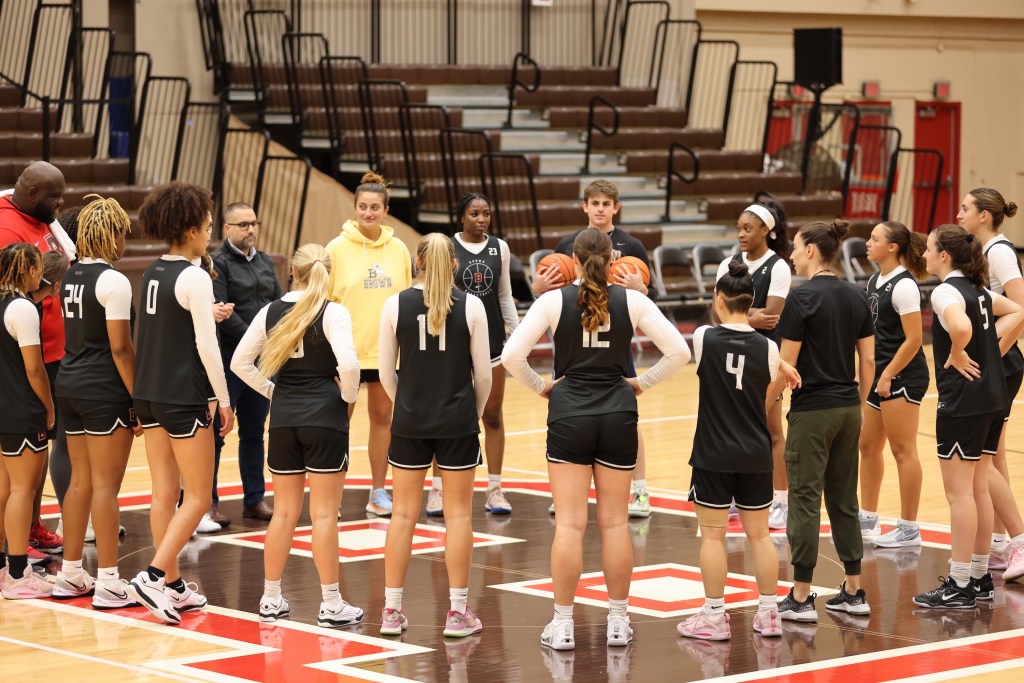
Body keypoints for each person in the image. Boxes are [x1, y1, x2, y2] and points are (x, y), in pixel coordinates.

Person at [503, 229, 689, 650]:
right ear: (611, 259)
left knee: (569, 525)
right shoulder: (634, 300)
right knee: (616, 524)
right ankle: (618, 622)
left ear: (572, 257)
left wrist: (542, 387)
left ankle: (564, 625)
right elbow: (679, 351)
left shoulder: (552, 300)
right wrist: (640, 383)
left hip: (569, 413)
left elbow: (512, 355)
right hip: (618, 413)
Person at [232, 243, 364, 627]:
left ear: (293, 270)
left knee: (284, 513)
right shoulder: (333, 311)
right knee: (323, 515)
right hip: (325, 418)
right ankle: (331, 603)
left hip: (285, 420)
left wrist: (274, 391)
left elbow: (240, 362)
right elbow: (351, 364)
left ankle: (271, 598)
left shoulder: (270, 310)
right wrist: (346, 397)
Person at [126, 183, 235, 625]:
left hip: (149, 395)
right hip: (185, 395)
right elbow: (207, 350)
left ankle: (172, 585)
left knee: (163, 493)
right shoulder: (194, 276)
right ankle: (153, 576)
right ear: (190, 228)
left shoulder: (153, 270)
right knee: (196, 496)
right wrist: (223, 400)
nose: (209, 232)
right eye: (208, 225)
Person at [677, 260, 800, 641]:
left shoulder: (702, 337)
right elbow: (764, 397)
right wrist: (781, 363)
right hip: (754, 452)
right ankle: (769, 615)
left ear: (717, 299)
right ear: (750, 304)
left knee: (713, 537)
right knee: (760, 536)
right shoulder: (767, 347)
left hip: (713, 453)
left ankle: (715, 617)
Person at [378, 233, 492, 638]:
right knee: (459, 516)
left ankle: (391, 611)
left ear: (418, 262)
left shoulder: (394, 304)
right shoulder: (473, 305)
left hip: (409, 422)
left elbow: (386, 374)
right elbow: (485, 376)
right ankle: (458, 614)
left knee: (403, 515)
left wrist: (408, 403)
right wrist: (469, 415)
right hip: (457, 423)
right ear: (456, 264)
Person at [914, 225, 1024, 608]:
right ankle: (978, 577)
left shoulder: (946, 291)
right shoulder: (977, 290)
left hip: (963, 402)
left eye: (929, 249)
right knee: (977, 490)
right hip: (993, 397)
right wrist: (989, 343)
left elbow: (959, 326)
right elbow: (1016, 309)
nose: (924, 255)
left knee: (959, 494)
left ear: (944, 255)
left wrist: (961, 350)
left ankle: (959, 582)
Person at [533, 179, 657, 518]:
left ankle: (640, 491)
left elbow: (651, 295)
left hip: (612, 343)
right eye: (595, 202)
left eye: (606, 203)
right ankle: (565, 493)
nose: (600, 208)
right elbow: (549, 293)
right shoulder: (565, 245)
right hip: (574, 343)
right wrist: (537, 287)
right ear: (585, 206)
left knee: (628, 418)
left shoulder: (631, 245)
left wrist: (641, 288)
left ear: (615, 207)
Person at [776, 220, 874, 622]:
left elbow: (787, 365)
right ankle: (853, 590)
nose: (792, 255)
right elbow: (867, 360)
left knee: (803, 499)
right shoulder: (857, 295)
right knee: (843, 499)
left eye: (796, 248)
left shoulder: (801, 299)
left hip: (812, 410)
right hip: (849, 408)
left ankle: (800, 597)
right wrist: (863, 409)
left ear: (813, 250)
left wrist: (764, 403)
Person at [51, 195, 141, 608]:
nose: (126, 242)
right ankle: (108, 581)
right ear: (111, 235)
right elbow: (121, 349)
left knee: (81, 483)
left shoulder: (70, 276)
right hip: (103, 389)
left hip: (69, 385)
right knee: (106, 487)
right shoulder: (114, 281)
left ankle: (70, 574)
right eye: (123, 234)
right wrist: (139, 396)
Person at [325, 171, 412, 517]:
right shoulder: (336, 248)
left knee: (383, 419)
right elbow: (325, 302)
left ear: (386, 209)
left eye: (375, 207)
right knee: (337, 422)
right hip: (345, 352)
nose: (369, 213)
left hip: (386, 352)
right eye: (363, 207)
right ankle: (331, 495)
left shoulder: (399, 249)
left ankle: (378, 491)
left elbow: (406, 300)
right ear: (355, 208)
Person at [425, 193, 518, 517]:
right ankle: (437, 491)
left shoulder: (500, 248)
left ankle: (495, 488)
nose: (481, 219)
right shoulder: (447, 247)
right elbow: (436, 295)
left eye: (486, 214)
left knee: (492, 416)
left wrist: (517, 333)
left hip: (493, 343)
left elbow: (504, 295)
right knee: (446, 418)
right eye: (475, 213)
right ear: (461, 217)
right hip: (454, 345)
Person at [0, 160, 71, 555]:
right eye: (54, 197)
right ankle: (16, 549)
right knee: (23, 465)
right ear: (30, 194)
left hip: (51, 350)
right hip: (30, 356)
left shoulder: (39, 217)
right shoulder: (7, 229)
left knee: (31, 461)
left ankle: (29, 526)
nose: (60, 204)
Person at [958, 188, 1024, 580]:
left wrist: (994, 352)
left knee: (983, 459)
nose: (960, 213)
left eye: (965, 208)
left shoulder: (998, 251)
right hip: (997, 358)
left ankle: (1017, 540)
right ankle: (1000, 544)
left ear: (984, 216)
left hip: (1001, 360)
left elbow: (1020, 307)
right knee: (993, 455)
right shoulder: (986, 250)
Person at [716, 197, 793, 530]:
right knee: (733, 426)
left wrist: (737, 316)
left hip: (764, 354)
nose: (741, 234)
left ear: (766, 230)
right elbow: (715, 310)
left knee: (771, 430)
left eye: (748, 229)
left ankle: (781, 499)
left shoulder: (778, 266)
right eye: (738, 229)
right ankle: (735, 494)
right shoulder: (728, 262)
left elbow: (772, 317)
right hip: (730, 353)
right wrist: (752, 316)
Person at [210, 201, 284, 525]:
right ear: (227, 229)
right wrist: (256, 341)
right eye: (243, 225)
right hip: (228, 359)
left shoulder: (266, 262)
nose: (250, 229)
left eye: (253, 223)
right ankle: (207, 503)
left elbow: (278, 304)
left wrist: (273, 344)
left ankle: (254, 499)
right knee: (217, 434)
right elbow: (222, 311)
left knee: (255, 432)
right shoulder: (218, 264)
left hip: (262, 363)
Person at [857, 221, 929, 548]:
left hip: (903, 375)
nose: (867, 244)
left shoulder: (904, 286)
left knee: (903, 450)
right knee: (868, 445)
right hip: (881, 374)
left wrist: (887, 375)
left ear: (892, 247)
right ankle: (867, 517)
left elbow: (914, 340)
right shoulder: (874, 280)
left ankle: (909, 528)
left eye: (874, 239)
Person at [0, 243, 55, 598]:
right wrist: (49, 407)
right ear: (29, 270)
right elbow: (35, 368)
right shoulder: (23, 307)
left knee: (3, 490)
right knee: (22, 490)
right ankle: (18, 574)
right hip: (21, 409)